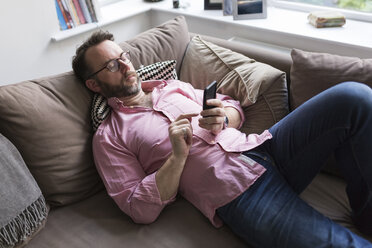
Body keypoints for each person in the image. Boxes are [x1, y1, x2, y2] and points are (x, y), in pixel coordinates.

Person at [72, 30, 372, 247]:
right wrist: (177, 157)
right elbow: (138, 208)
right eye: (111, 65)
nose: (126, 66)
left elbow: (231, 104)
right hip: (238, 194)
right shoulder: (109, 136)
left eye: (123, 56)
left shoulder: (172, 86)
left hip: (263, 148)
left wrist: (224, 117)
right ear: (93, 84)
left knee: (353, 97)